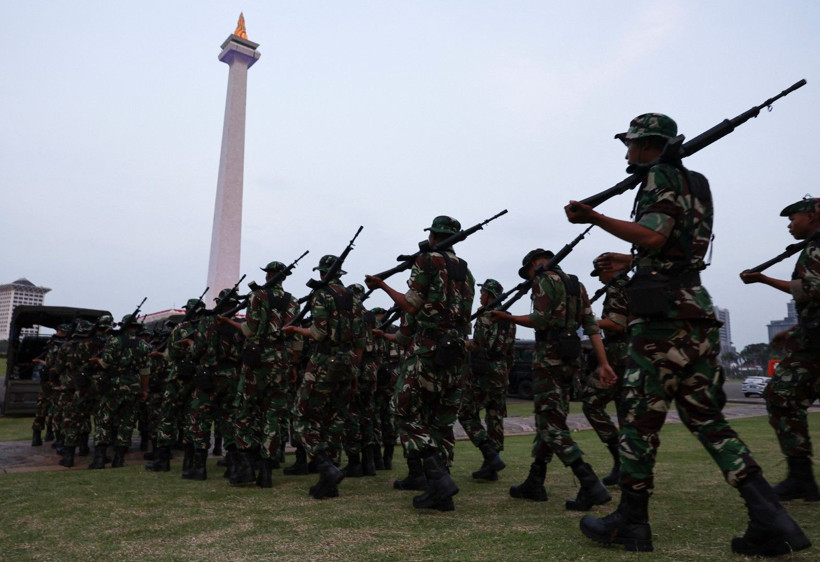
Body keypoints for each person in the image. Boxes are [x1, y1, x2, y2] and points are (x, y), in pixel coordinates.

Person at [565, 113, 810, 555]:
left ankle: (631, 522)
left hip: (662, 321)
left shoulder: (658, 175)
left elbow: (656, 237)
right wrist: (631, 259)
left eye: (630, 145)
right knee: (709, 420)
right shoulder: (695, 180)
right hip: (694, 310)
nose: (626, 153)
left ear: (646, 145)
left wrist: (594, 216)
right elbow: (674, 245)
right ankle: (773, 519)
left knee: (639, 422)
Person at [489, 250, 615, 510]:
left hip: (549, 359)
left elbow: (540, 318)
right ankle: (536, 480)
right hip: (571, 359)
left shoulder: (544, 279)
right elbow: (591, 326)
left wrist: (508, 317)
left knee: (552, 424)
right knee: (550, 419)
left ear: (536, 263)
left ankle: (589, 482)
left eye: (529, 271)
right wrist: (603, 363)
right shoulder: (576, 284)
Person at [365, 215, 476, 512]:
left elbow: (412, 304)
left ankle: (438, 480)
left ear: (433, 237)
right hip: (455, 351)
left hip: (428, 348)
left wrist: (382, 286)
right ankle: (442, 488)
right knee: (441, 420)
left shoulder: (426, 261)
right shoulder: (466, 272)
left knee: (402, 409)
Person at [740, 196, 820, 502]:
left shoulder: (816, 246)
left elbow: (812, 288)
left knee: (780, 396)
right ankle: (801, 478)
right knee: (781, 396)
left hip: (813, 347)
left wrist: (762, 279)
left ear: (813, 215)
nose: (790, 224)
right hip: (811, 341)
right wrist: (794, 330)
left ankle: (801, 478)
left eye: (794, 217)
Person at [283, 255, 365, 500]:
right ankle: (329, 480)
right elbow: (361, 341)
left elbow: (318, 333)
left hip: (322, 363)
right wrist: (353, 366)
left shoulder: (322, 295)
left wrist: (296, 329)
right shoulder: (354, 298)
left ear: (322, 272)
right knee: (335, 420)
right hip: (348, 364)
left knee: (303, 416)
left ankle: (325, 466)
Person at [220, 262, 301, 487]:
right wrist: (293, 365)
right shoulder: (292, 300)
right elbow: (296, 338)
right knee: (273, 415)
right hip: (281, 359)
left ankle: (246, 465)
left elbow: (251, 328)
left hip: (256, 359)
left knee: (245, 411)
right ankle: (266, 471)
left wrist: (236, 325)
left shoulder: (258, 296)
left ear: (269, 275)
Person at [458, 278, 516, 481]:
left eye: (483, 292)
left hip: (483, 371)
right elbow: (510, 352)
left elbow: (480, 344)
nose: (480, 296)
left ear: (490, 294)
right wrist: (506, 371)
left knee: (466, 413)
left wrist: (464, 343)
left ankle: (489, 455)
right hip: (500, 371)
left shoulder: (485, 316)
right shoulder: (508, 318)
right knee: (494, 417)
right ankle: (491, 465)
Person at [582, 254, 630, 486]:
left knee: (591, 403)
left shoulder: (617, 288)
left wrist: (586, 319)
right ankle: (627, 467)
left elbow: (617, 322)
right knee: (625, 413)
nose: (600, 279)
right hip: (628, 358)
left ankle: (621, 459)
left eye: (600, 273)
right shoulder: (626, 286)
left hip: (619, 357)